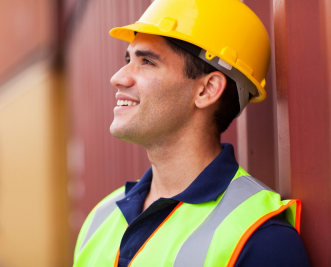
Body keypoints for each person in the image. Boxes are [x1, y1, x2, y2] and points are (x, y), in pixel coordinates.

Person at [73, 0, 310, 266]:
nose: (118, 77)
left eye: (147, 62)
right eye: (128, 59)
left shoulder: (261, 238)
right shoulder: (101, 217)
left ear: (207, 90)